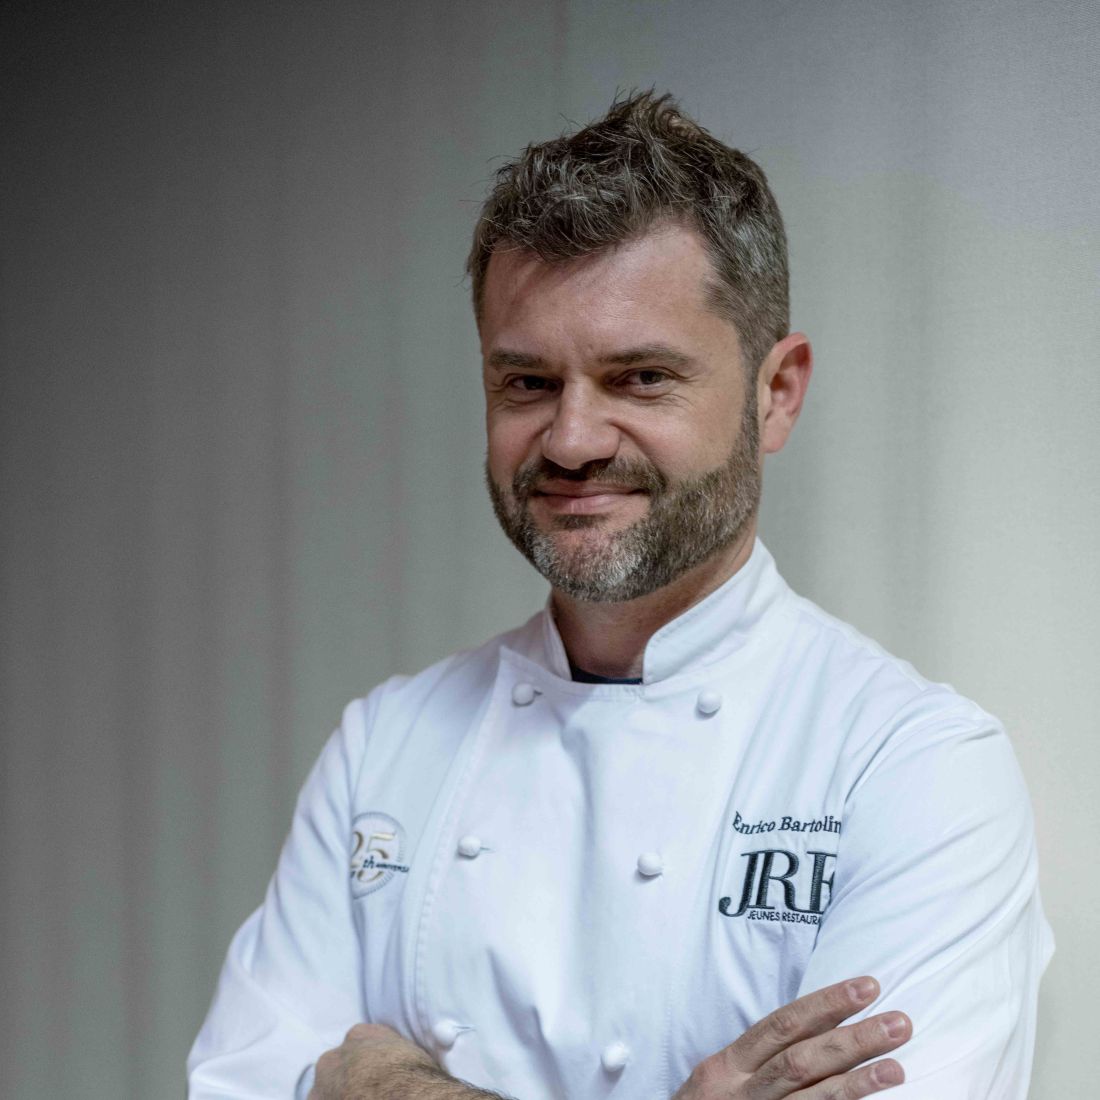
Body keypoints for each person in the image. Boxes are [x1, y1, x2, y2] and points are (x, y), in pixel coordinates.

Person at [188, 91, 1052, 1099]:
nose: (570, 440)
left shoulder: (911, 767)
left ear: (776, 392)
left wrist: (381, 1084)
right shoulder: (384, 746)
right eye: (526, 383)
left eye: (640, 377)